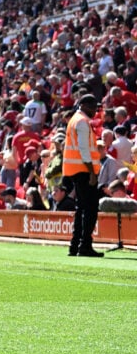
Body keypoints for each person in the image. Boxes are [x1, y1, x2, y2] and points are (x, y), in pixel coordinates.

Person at [64, 94, 103, 257]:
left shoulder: (74, 119)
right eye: (94, 107)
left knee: (81, 208)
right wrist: (92, 172)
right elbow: (84, 150)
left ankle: (75, 245)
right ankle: (85, 245)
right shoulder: (82, 121)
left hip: (75, 169)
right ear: (85, 105)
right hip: (83, 170)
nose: (95, 111)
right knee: (90, 208)